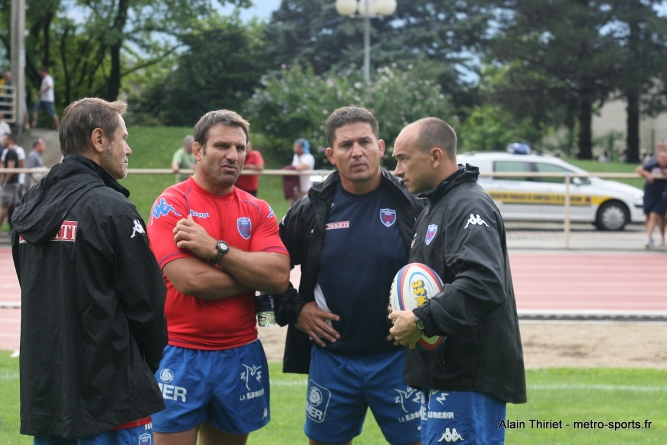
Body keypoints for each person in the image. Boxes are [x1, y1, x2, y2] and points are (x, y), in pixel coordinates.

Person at [10, 97, 168, 443]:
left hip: (49, 396)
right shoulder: (114, 209)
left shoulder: (28, 206)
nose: (128, 149)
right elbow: (149, 305)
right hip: (112, 398)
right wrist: (144, 367)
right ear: (99, 140)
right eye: (123, 138)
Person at [275, 106, 423, 445]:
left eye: (364, 141)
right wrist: (295, 309)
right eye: (345, 145)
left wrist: (423, 319)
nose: (356, 151)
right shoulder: (309, 208)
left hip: (399, 359)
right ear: (330, 155)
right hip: (333, 360)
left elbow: (441, 273)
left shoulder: (413, 203)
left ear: (381, 147)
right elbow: (268, 268)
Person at [146, 109, 290, 445]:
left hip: (240, 354)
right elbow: (190, 281)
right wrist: (253, 273)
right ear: (197, 151)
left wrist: (216, 250)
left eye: (240, 148)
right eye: (222, 146)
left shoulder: (258, 209)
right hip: (180, 354)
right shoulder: (172, 204)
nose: (233, 155)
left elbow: (279, 276)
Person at [389, 117, 526, 445]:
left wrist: (421, 319)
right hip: (446, 372)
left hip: (467, 378)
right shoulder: (433, 207)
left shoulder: (468, 205)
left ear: (435, 157)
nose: (396, 170)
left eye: (403, 158)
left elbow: (483, 282)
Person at [635, 148, 667, 248]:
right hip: (649, 194)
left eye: (666, 159)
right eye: (662, 158)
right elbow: (639, 169)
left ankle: (651, 238)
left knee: (655, 216)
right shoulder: (652, 165)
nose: (664, 160)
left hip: (661, 194)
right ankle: (650, 235)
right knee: (648, 217)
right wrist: (647, 174)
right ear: (658, 158)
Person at [0, 134, 20, 232]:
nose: (2, 141)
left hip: (10, 184)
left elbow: (10, 169)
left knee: (4, 207)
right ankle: (14, 230)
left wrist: (6, 181)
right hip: (14, 183)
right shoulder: (12, 152)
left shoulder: (10, 152)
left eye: (4, 139)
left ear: (10, 140)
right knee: (13, 206)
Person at [287, 138, 315, 206]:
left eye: (295, 146)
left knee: (304, 210)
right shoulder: (296, 156)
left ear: (300, 148)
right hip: (294, 189)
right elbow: (294, 167)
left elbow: (300, 168)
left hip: (304, 189)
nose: (294, 148)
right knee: (292, 210)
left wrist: (289, 168)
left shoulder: (308, 157)